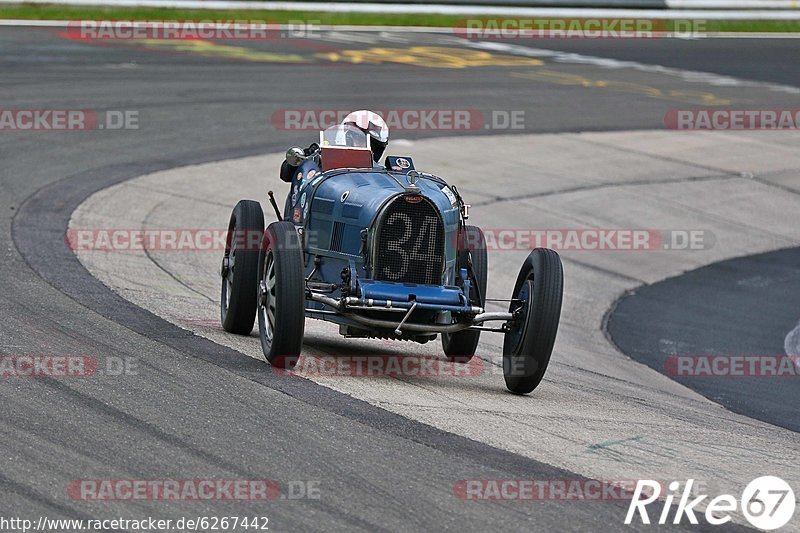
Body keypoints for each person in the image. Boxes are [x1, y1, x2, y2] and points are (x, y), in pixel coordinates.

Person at [279, 110, 390, 182]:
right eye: (364, 141)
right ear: (347, 136)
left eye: (375, 147)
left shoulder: (378, 172)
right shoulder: (322, 153)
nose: (370, 150)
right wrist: (308, 158)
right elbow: (285, 174)